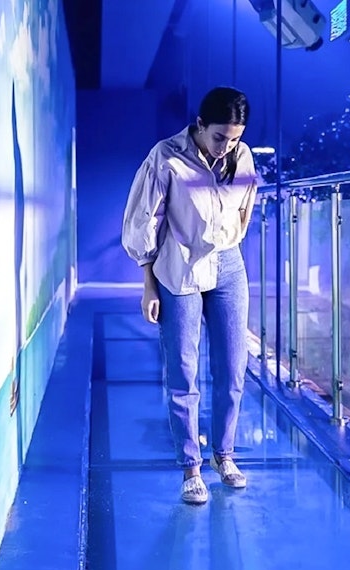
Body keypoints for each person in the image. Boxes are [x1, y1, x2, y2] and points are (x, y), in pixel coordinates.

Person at [121, 87, 259, 505]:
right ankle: (191, 467)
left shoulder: (243, 156)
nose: (227, 146)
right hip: (178, 268)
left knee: (234, 367)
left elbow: (245, 207)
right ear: (200, 125)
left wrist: (228, 240)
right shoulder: (165, 158)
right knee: (184, 371)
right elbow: (144, 223)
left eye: (235, 137)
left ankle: (224, 455)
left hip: (228, 265)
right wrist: (149, 283)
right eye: (220, 137)